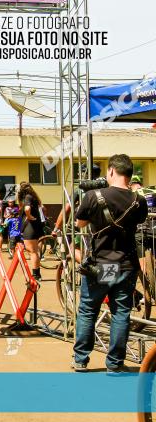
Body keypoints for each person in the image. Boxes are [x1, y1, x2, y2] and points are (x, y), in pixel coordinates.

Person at [73, 154, 149, 374]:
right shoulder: (139, 201)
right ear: (130, 173)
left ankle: (81, 360)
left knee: (89, 310)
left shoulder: (94, 195)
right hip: (126, 263)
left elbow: (80, 224)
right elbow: (139, 221)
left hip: (102, 264)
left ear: (112, 171)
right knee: (121, 313)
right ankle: (115, 364)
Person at [17, 181, 46, 281]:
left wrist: (29, 216)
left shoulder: (27, 197)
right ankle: (37, 273)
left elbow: (27, 209)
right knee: (34, 251)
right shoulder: (33, 197)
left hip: (30, 226)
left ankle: (36, 275)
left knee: (32, 251)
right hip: (35, 225)